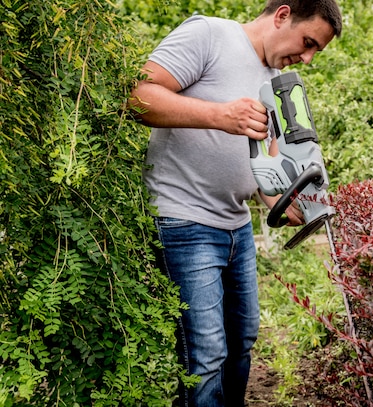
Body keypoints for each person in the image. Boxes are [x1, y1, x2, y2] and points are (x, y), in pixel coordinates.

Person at [129, 1, 342, 406]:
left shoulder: (275, 79)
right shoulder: (209, 34)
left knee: (241, 341)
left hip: (236, 225)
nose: (309, 58)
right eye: (308, 42)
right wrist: (219, 115)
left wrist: (279, 200)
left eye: (317, 51)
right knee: (205, 354)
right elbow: (137, 95)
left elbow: (261, 160)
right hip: (184, 220)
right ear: (282, 15)